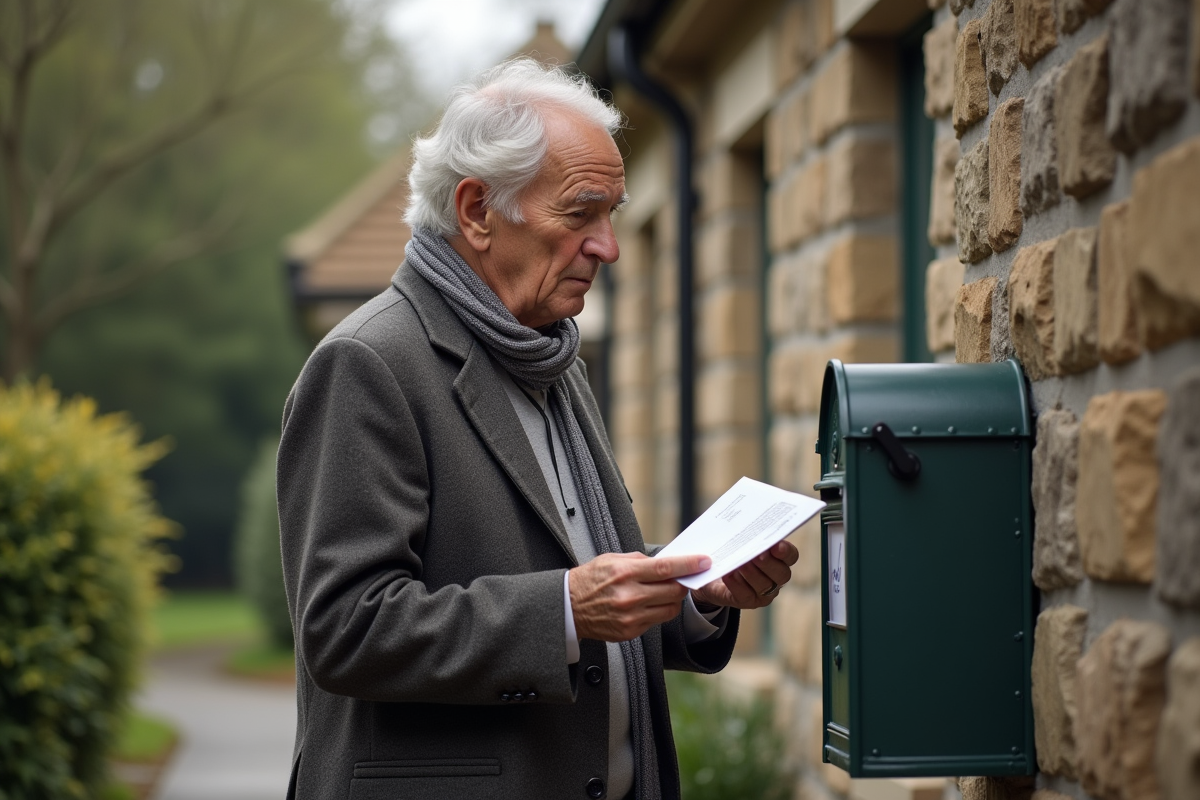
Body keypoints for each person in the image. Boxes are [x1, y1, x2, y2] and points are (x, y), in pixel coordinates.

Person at [276, 58, 798, 800]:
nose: (608, 246)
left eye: (613, 214)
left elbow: (587, 575)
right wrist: (563, 611)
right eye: (581, 213)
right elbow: (345, 630)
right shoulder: (368, 363)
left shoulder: (548, 355)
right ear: (477, 211)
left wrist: (697, 591)